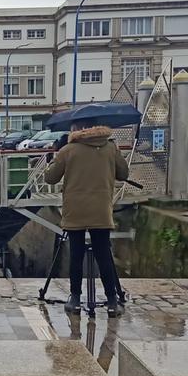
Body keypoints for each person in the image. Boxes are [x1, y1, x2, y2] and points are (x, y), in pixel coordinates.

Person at [44, 121, 129, 317]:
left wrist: (52, 160)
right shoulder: (110, 148)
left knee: (76, 253)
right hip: (101, 209)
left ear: (77, 130)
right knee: (104, 254)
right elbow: (123, 174)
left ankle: (74, 298)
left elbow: (50, 178)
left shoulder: (68, 150)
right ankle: (112, 301)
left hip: (75, 210)